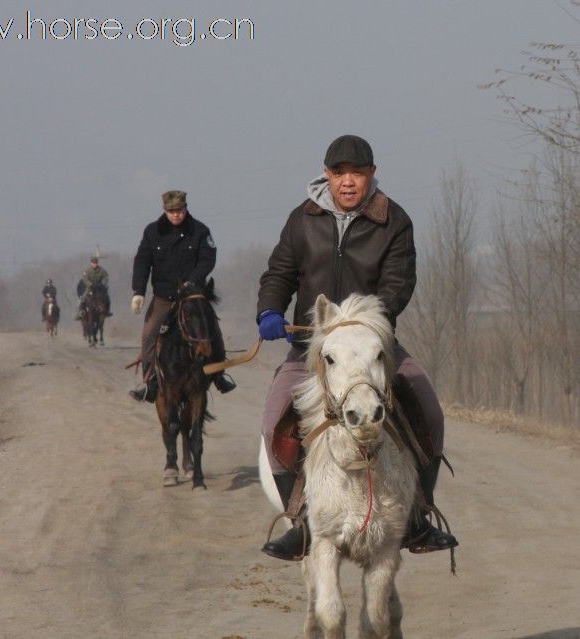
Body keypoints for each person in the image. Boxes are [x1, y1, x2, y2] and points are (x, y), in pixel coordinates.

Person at [257, 134, 458, 561]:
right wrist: (270, 310)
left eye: (357, 173)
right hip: (312, 349)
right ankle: (302, 521)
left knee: (430, 412)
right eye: (339, 173)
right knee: (274, 418)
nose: (348, 182)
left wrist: (361, 326)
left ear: (372, 174)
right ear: (326, 175)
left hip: (373, 348)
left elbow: (398, 287)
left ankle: (418, 517)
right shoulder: (302, 219)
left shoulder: (394, 222)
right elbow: (279, 272)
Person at [129, 190, 236, 402]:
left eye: (179, 210)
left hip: (192, 295)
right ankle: (150, 381)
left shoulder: (200, 231)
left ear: (186, 208)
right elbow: (142, 261)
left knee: (211, 328)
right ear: (165, 210)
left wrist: (192, 281)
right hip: (164, 296)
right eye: (171, 211)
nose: (176, 215)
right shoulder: (152, 232)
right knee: (149, 332)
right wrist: (138, 291)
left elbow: (208, 258)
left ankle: (218, 374)